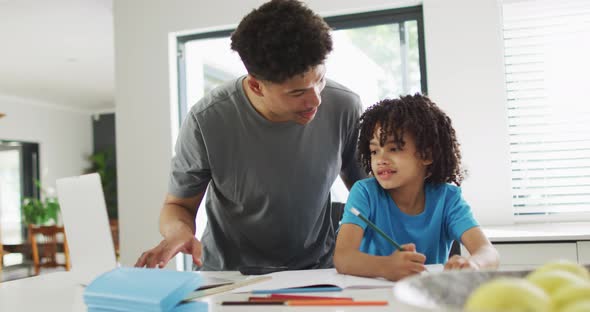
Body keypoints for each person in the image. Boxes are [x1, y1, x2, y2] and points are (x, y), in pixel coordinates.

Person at [135, 0, 364, 271]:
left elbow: (369, 194)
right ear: (256, 85)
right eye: (297, 92)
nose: (316, 100)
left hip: (317, 271)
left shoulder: (344, 106)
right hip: (229, 275)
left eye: (321, 80)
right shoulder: (207, 119)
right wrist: (178, 232)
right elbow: (178, 206)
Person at [333, 94, 499, 281]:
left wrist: (473, 264)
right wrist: (387, 267)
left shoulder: (447, 198)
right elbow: (343, 258)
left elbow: (488, 252)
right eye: (374, 151)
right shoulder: (365, 192)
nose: (381, 160)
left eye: (394, 149)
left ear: (426, 155)